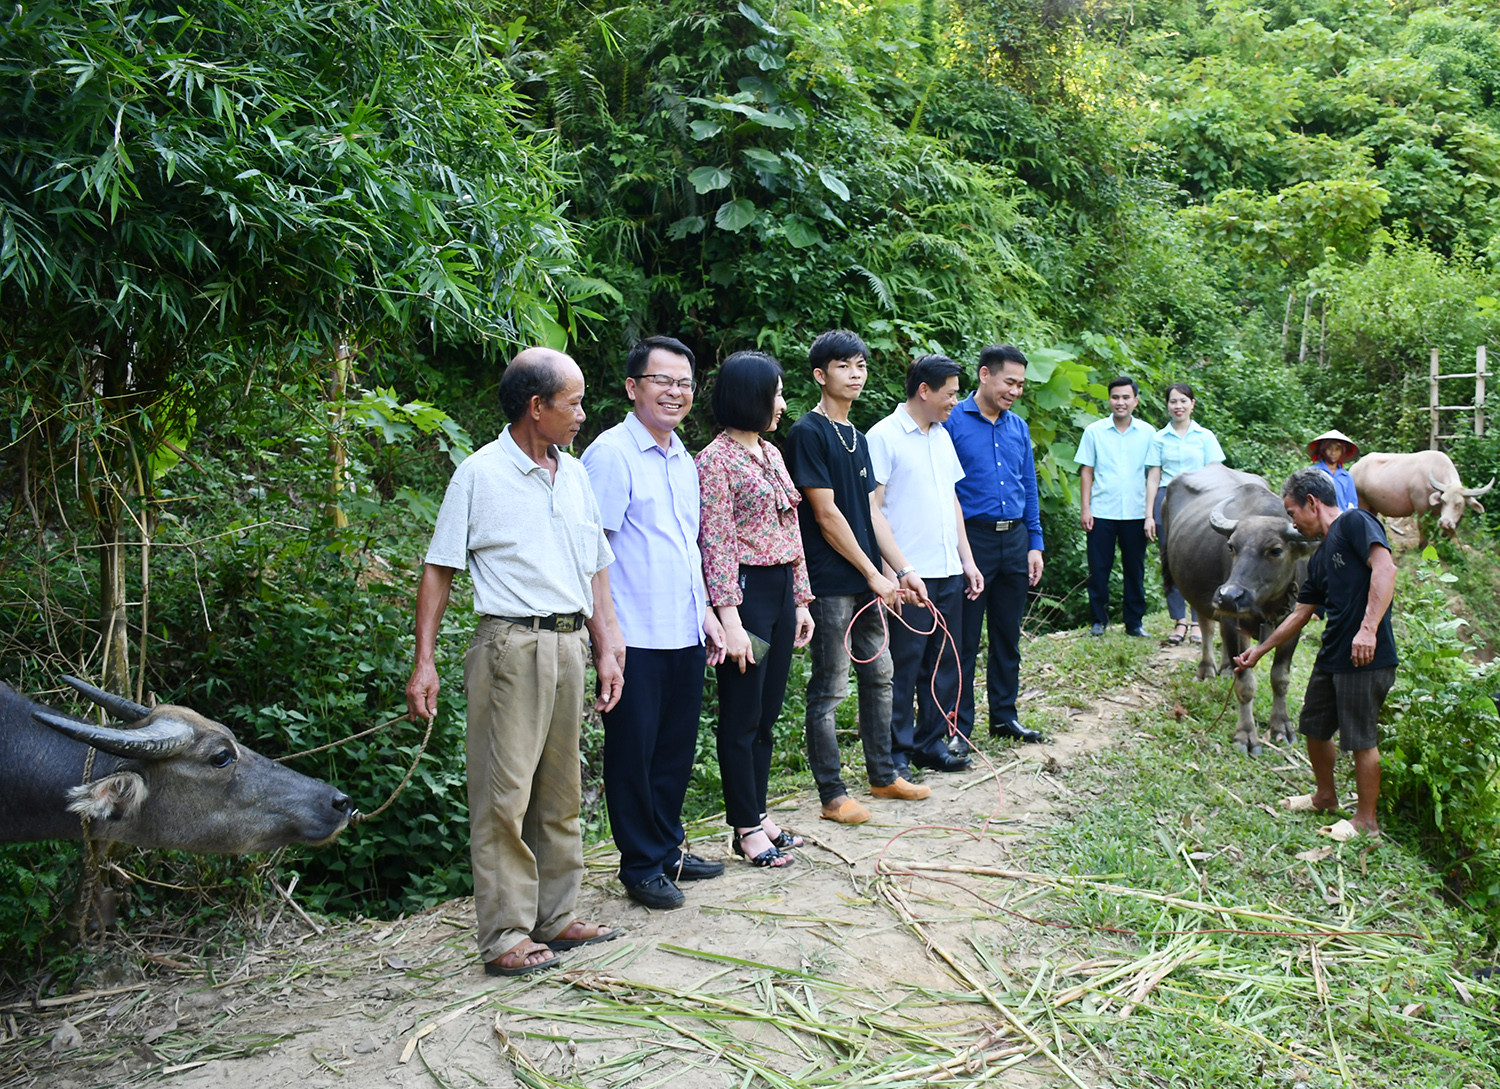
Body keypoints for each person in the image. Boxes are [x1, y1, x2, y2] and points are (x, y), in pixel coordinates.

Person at [406, 347, 625, 978]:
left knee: (560, 791)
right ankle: (505, 933)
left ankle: (556, 917)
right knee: (504, 796)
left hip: (568, 644)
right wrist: (425, 662)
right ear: (537, 407)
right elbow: (439, 569)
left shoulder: (575, 473)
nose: (582, 413)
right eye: (574, 402)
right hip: (510, 644)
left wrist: (607, 647)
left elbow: (596, 569)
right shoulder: (479, 474)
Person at [580, 336, 728, 911]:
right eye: (662, 381)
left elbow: (685, 548)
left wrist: (709, 615)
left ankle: (668, 849)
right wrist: (606, 640)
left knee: (673, 750)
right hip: (634, 634)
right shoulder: (611, 455)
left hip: (681, 631)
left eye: (685, 383)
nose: (675, 392)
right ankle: (641, 866)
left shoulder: (680, 458)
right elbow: (593, 554)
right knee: (633, 754)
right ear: (632, 387)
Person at [785, 329, 931, 825]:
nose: (855, 374)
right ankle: (831, 795)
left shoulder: (860, 438)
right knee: (829, 687)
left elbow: (872, 513)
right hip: (829, 582)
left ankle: (883, 775)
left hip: (869, 580)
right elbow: (825, 516)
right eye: (844, 366)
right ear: (820, 375)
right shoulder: (808, 431)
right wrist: (873, 573)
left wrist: (903, 571)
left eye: (861, 366)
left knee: (881, 675)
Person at [696, 351, 816, 867]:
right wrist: (730, 620)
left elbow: (792, 531)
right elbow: (717, 544)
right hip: (743, 598)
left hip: (779, 595)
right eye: (776, 394)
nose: (783, 404)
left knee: (767, 712)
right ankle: (745, 826)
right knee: (742, 715)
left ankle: (760, 811)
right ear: (751, 397)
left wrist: (802, 598)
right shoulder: (714, 461)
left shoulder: (770, 453)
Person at [1233, 467, 1397, 836]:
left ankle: (1366, 821)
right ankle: (1326, 797)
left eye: (1292, 513)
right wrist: (1259, 650)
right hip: (1335, 651)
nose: (1292, 523)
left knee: (1360, 738)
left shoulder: (1356, 522)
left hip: (1366, 655)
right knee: (1315, 727)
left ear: (1312, 503)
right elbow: (1300, 614)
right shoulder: (1319, 557)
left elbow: (1385, 569)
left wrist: (1368, 630)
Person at [868, 354, 984, 777]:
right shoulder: (883, 436)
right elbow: (873, 508)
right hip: (908, 574)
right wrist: (888, 574)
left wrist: (966, 560)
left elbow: (951, 500)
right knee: (906, 663)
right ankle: (896, 752)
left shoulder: (941, 435)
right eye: (950, 393)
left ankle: (930, 742)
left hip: (947, 568)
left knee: (943, 662)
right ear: (924, 391)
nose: (956, 400)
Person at [945, 345, 1046, 745]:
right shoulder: (953, 421)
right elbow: (945, 488)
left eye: (1021, 384)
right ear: (985, 375)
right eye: (1010, 382)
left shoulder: (1017, 427)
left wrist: (1034, 542)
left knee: (1007, 637)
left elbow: (1029, 487)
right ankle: (958, 726)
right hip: (973, 542)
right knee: (964, 640)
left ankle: (1005, 716)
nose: (1015, 391)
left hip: (1015, 540)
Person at [1144, 383, 1226, 646]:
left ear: (1192, 404)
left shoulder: (1205, 436)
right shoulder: (1158, 438)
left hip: (1201, 500)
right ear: (1166, 405)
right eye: (1172, 402)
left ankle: (1198, 620)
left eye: (1183, 401)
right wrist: (1148, 515)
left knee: (1201, 560)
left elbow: (1217, 474)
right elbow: (1153, 476)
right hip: (1167, 500)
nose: (1177, 406)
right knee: (1171, 562)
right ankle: (1179, 620)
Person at [1076, 376, 1153, 638]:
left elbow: (1154, 475)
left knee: (1135, 568)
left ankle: (1134, 623)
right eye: (1115, 397)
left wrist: (1150, 514)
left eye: (1126, 397)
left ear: (1135, 401)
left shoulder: (1148, 433)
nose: (1120, 402)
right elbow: (1087, 471)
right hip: (1101, 511)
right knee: (1098, 569)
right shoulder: (1094, 431)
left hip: (1135, 511)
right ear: (1109, 400)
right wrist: (1085, 508)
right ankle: (1098, 621)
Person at [1308, 429, 1360, 511]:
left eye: (1337, 449)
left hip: (1342, 519)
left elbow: (1352, 504)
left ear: (1342, 452)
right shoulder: (1313, 472)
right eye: (1329, 448)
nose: (1333, 453)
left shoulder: (1346, 477)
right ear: (1323, 450)